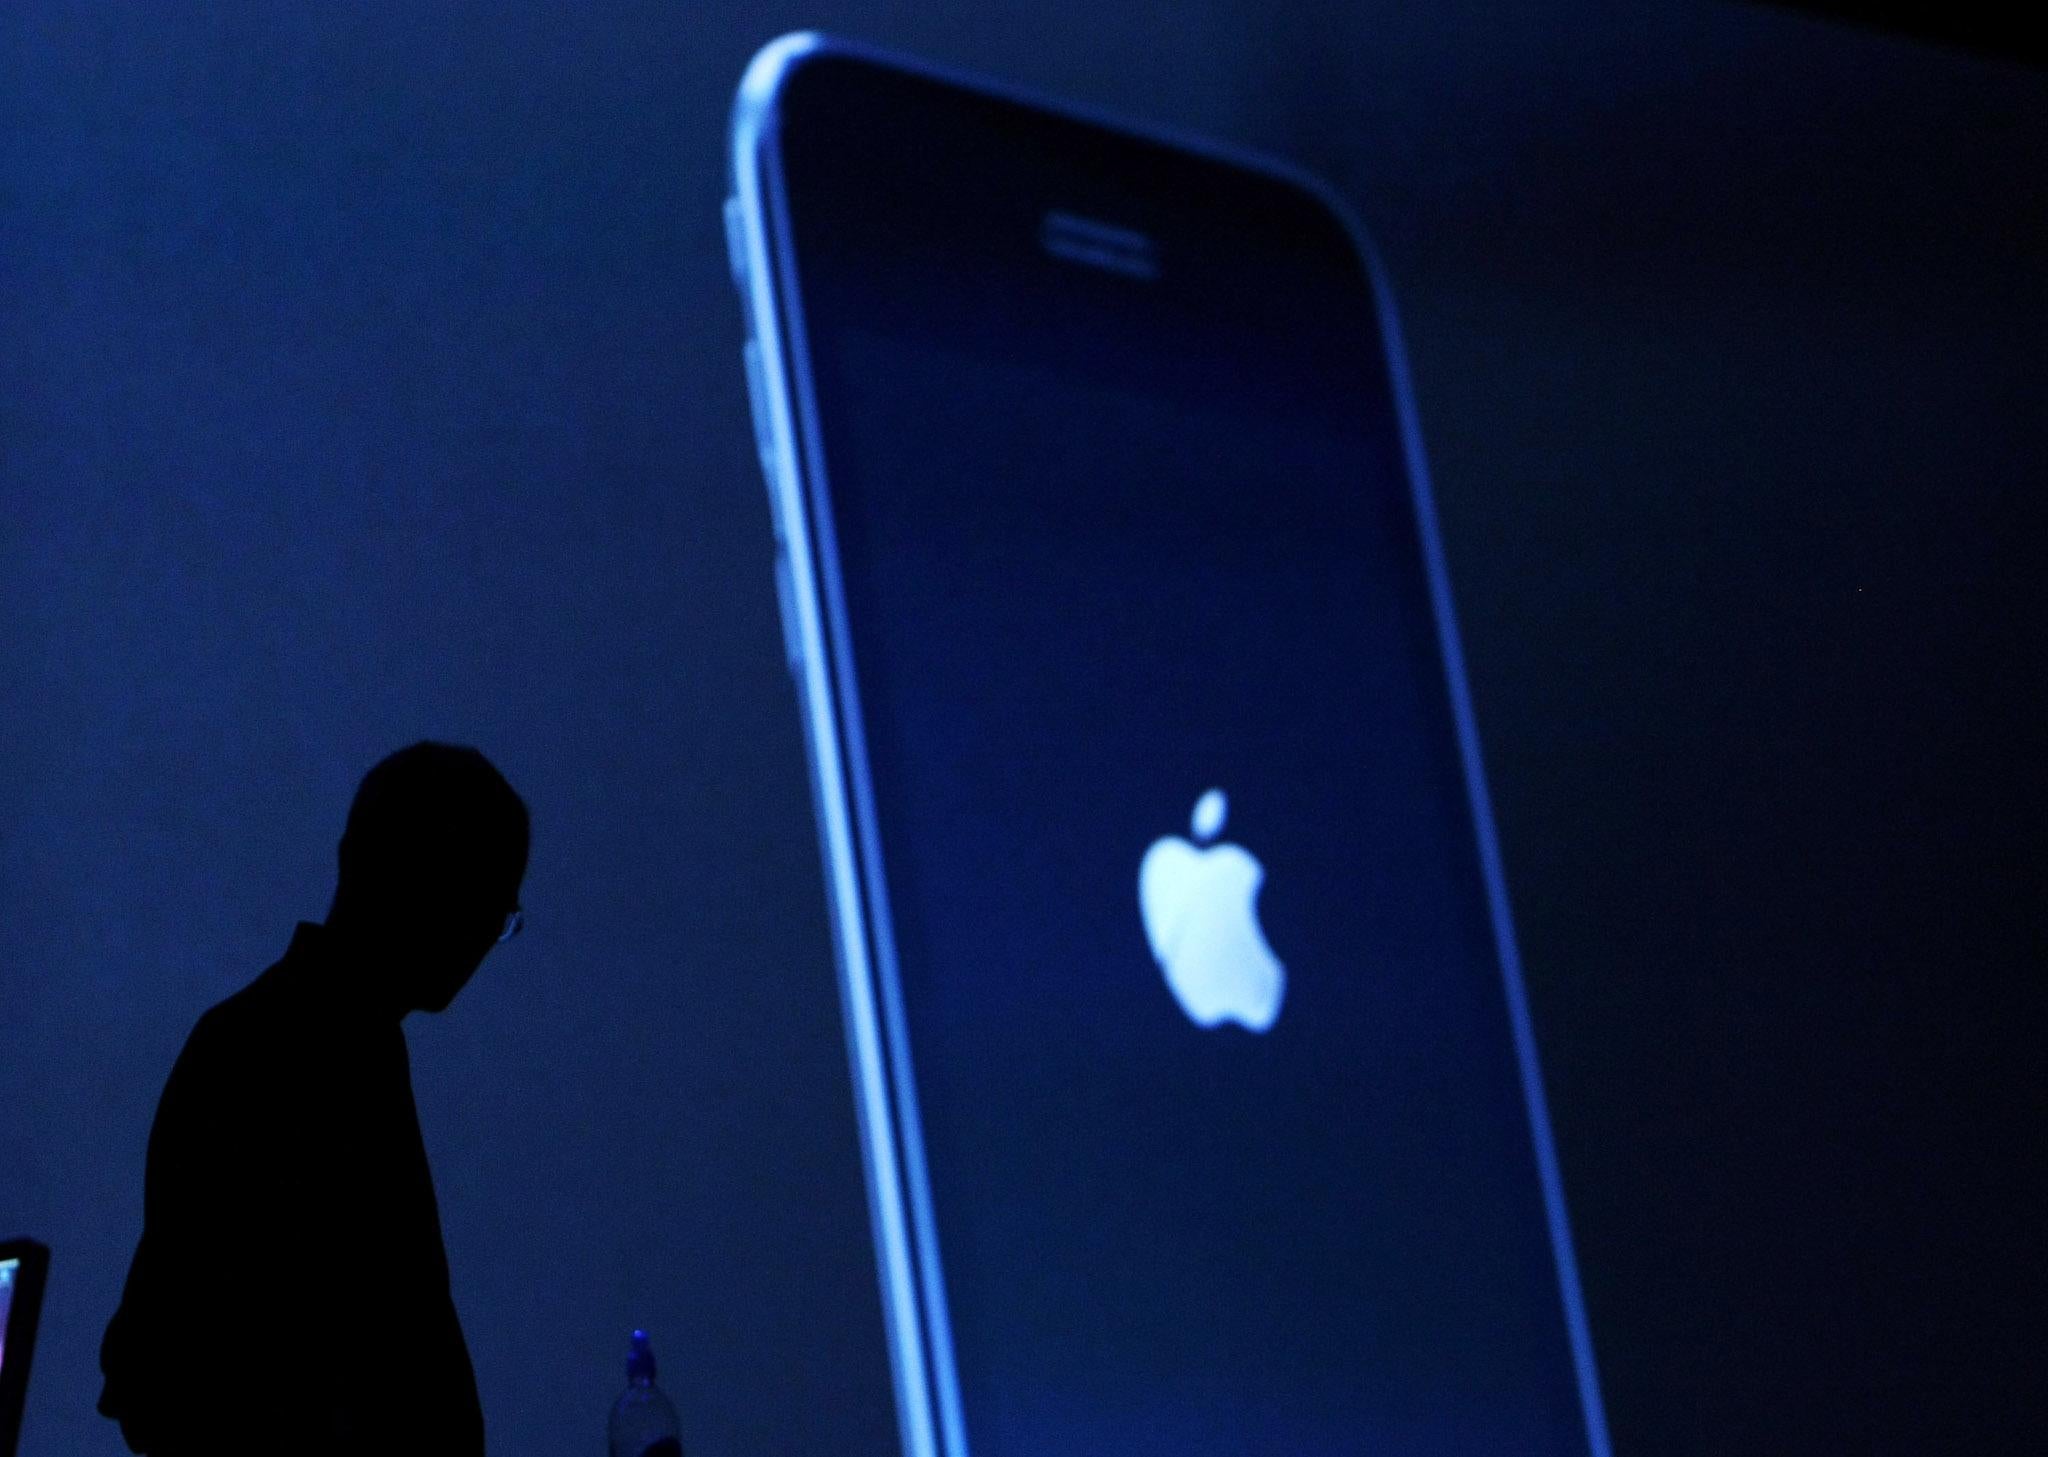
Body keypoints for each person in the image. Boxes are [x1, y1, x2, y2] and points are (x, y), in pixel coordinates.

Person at [99, 743, 530, 1456]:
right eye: (494, 901)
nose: (489, 931)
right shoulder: (317, 1056)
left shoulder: (264, 1036)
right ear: (444, 887)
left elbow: (150, 1356)